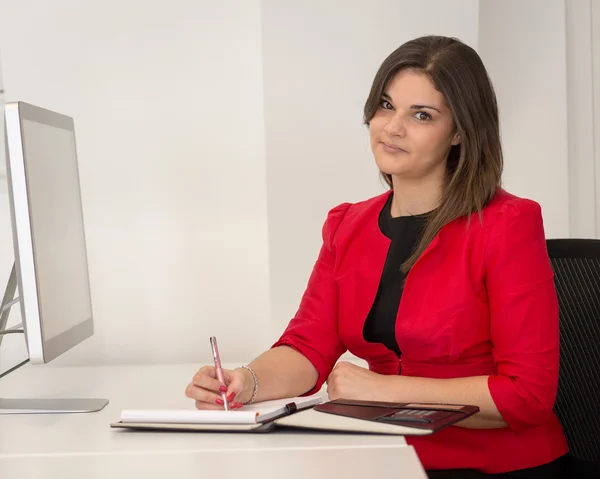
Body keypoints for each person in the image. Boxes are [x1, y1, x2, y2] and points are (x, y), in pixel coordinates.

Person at [185, 35, 569, 478]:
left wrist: (387, 390)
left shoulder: (507, 224)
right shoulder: (348, 225)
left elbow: (527, 396)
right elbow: (307, 346)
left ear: (460, 131)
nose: (392, 127)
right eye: (386, 106)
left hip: (496, 466)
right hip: (386, 457)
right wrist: (244, 383)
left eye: (421, 115)